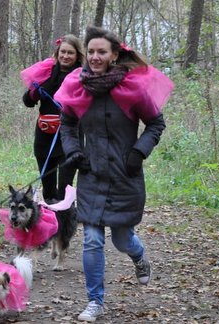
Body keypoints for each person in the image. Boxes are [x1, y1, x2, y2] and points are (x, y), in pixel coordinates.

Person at [54, 26, 173, 322]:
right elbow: (67, 124)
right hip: (91, 173)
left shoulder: (132, 88)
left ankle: (139, 255)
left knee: (122, 240)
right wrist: (73, 151)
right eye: (91, 51)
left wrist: (138, 152)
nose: (95, 57)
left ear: (114, 55)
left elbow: (156, 124)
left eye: (102, 52)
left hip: (125, 174)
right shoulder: (77, 86)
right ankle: (95, 301)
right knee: (92, 239)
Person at [20, 35, 84, 204]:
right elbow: (28, 102)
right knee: (48, 187)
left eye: (70, 53)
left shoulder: (83, 76)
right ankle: (50, 224)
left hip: (69, 137)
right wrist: (34, 93)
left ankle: (65, 221)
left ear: (77, 55)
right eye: (63, 51)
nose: (66, 56)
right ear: (57, 52)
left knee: (64, 187)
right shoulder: (45, 72)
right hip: (44, 136)